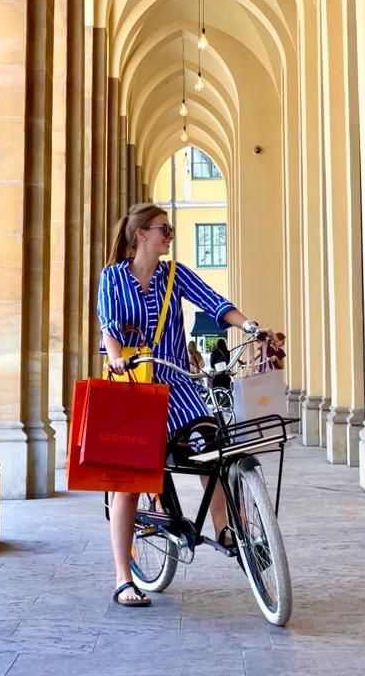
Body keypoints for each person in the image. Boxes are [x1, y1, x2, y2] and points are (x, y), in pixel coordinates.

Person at [97, 202, 271, 608]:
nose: (170, 234)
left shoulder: (174, 275)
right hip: (134, 385)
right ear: (141, 234)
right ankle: (123, 578)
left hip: (177, 383)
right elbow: (108, 326)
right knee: (130, 484)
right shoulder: (113, 277)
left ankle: (225, 528)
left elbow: (214, 302)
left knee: (213, 447)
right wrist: (116, 357)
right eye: (164, 228)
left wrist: (250, 326)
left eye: (170, 228)